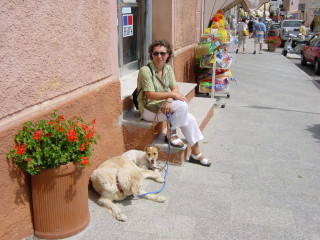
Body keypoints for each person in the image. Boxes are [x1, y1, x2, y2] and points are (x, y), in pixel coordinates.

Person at [136, 40, 212, 167]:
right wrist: (172, 96)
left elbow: (174, 88)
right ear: (151, 54)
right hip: (149, 110)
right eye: (155, 53)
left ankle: (196, 154)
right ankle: (172, 134)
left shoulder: (168, 69)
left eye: (162, 53)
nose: (159, 56)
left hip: (163, 106)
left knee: (190, 118)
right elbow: (151, 94)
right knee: (182, 106)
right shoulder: (146, 70)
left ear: (168, 54)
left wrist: (169, 100)